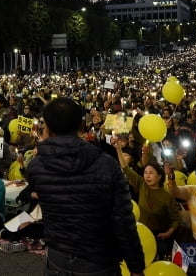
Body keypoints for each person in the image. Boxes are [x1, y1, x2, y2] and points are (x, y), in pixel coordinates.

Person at [26, 97, 145, 276]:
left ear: (47, 128)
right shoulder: (107, 165)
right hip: (100, 261)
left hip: (59, 258)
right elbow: (123, 222)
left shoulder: (36, 167)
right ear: (82, 127)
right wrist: (136, 267)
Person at [116, 145, 180, 259]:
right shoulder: (142, 184)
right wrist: (118, 149)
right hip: (140, 233)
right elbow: (125, 168)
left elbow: (176, 220)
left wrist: (167, 233)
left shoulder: (167, 197)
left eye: (151, 173)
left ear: (160, 176)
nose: (147, 176)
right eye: (145, 172)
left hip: (159, 236)